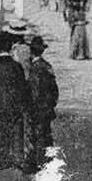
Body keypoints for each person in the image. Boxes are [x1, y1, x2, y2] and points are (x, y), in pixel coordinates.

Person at [0, 31, 30, 170]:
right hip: (15, 104)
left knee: (1, 131)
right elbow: (22, 87)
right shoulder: (16, 66)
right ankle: (18, 157)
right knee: (17, 131)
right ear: (10, 47)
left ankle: (3, 158)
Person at [26, 35, 59, 170]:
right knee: (46, 134)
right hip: (47, 108)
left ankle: (34, 163)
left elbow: (34, 91)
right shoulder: (47, 66)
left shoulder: (34, 69)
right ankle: (48, 161)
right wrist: (51, 104)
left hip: (36, 108)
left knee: (34, 136)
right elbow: (54, 90)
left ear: (31, 51)